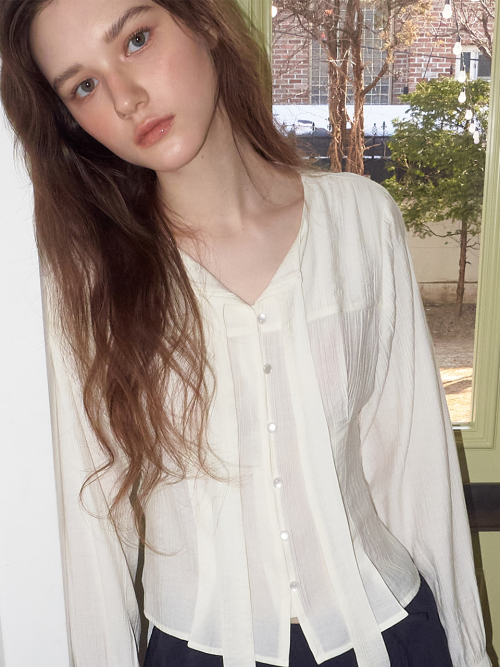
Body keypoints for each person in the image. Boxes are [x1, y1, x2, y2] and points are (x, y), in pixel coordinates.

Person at [0, 0, 491, 666]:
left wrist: (466, 650)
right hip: (195, 648)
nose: (125, 98)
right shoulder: (88, 283)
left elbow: (414, 468)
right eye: (83, 85)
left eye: (137, 39)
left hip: (394, 634)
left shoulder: (360, 221)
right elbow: (91, 530)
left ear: (203, 22)